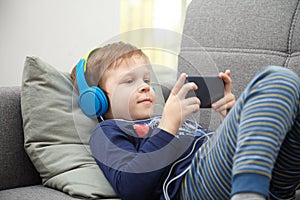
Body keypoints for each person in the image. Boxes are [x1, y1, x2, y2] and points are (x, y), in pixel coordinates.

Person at [71, 41, 300, 200]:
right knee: (276, 77)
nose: (144, 86)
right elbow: (131, 188)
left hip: (268, 179)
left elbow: (211, 148)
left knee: (290, 92)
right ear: (96, 99)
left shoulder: (168, 117)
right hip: (192, 184)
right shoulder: (107, 132)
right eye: (129, 81)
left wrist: (234, 118)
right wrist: (168, 127)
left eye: (147, 79)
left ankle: (251, 189)